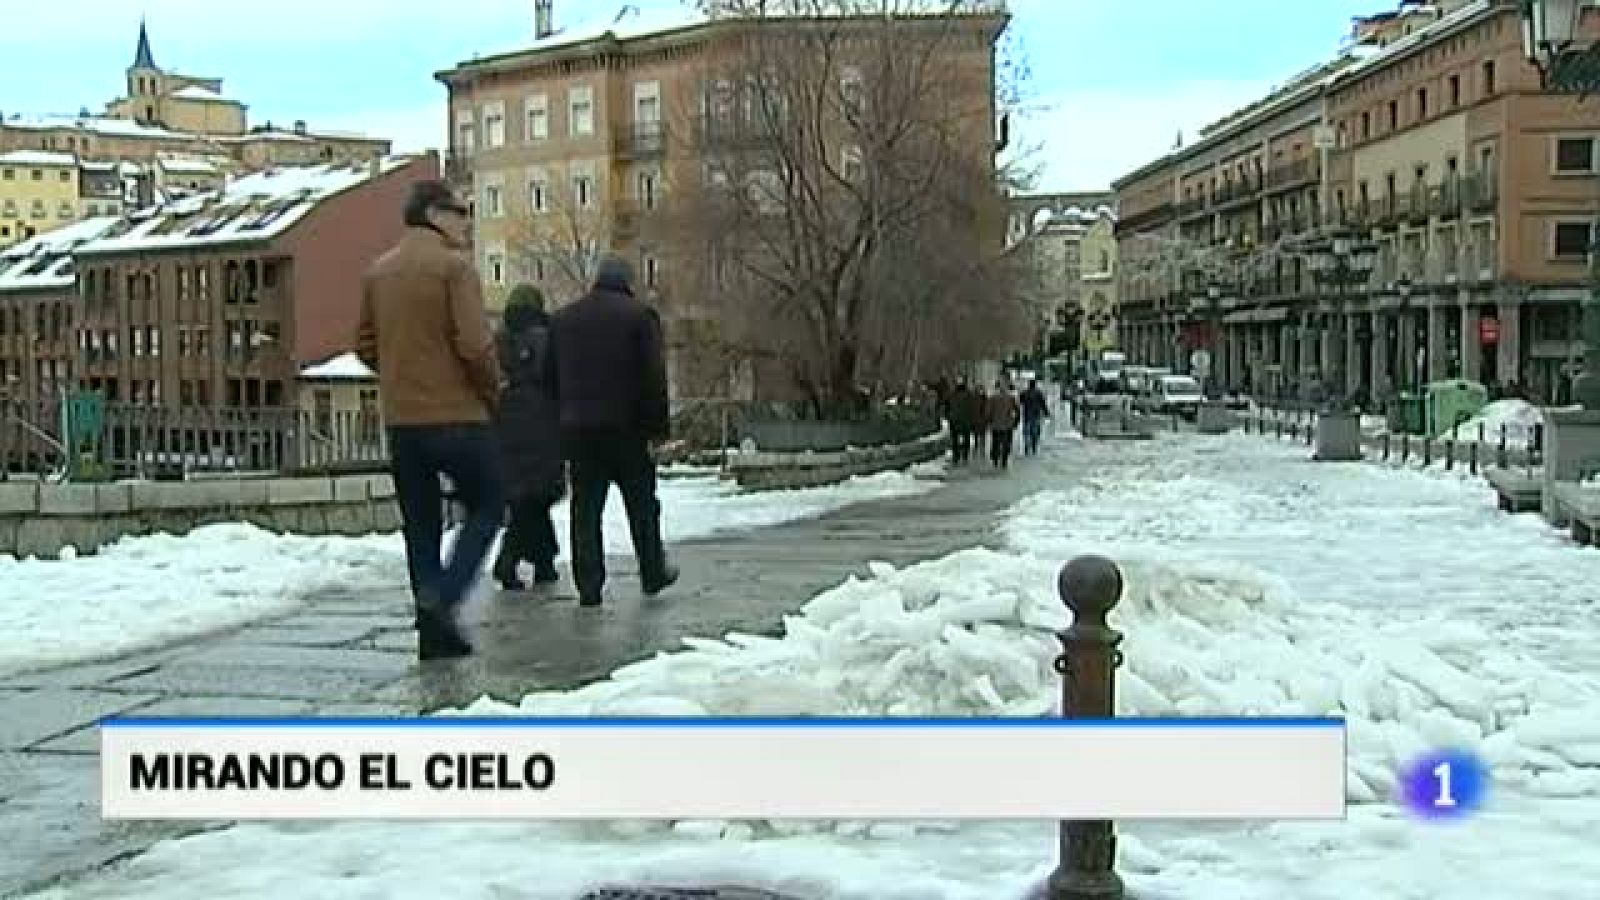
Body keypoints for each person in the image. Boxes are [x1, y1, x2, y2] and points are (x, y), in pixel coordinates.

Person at [357, 180, 503, 661]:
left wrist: (400, 373)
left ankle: (433, 635)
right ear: (434, 214)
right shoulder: (454, 268)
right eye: (461, 212)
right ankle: (445, 597)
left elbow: (363, 343)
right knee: (488, 505)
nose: (466, 221)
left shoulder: (379, 272)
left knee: (419, 526)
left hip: (403, 422)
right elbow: (476, 347)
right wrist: (491, 392)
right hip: (459, 415)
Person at [546, 254, 679, 607]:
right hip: (627, 430)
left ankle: (589, 584)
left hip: (579, 431)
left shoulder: (563, 320)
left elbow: (549, 379)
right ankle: (652, 572)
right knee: (642, 505)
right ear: (628, 281)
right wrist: (658, 429)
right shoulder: (639, 317)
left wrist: (558, 426)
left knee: (586, 509)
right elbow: (653, 377)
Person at [490, 284, 565, 591]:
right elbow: (558, 378)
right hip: (543, 420)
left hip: (505, 421)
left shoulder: (497, 341)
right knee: (538, 495)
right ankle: (507, 560)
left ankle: (544, 562)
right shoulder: (547, 338)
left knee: (526, 496)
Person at [988, 378, 1022, 469]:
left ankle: (995, 459)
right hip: (1008, 425)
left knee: (995, 442)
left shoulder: (992, 398)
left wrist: (989, 421)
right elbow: (1017, 410)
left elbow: (988, 411)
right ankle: (1004, 460)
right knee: (1006, 443)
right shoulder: (1011, 398)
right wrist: (1015, 422)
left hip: (996, 425)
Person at [946, 379, 980, 465]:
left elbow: (947, 407)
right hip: (966, 420)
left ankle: (956, 456)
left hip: (954, 420)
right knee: (966, 438)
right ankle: (965, 455)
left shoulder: (952, 395)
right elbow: (973, 408)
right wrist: (974, 419)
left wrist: (949, 416)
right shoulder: (969, 396)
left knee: (955, 439)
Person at [1019, 378, 1051, 456]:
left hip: (1026, 415)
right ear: (1035, 385)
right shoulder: (1039, 393)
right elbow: (1043, 404)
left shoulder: (1024, 393)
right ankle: (1034, 446)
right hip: (1036, 415)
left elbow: (1020, 402)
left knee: (1026, 431)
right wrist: (1046, 413)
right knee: (1035, 431)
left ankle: (1027, 445)